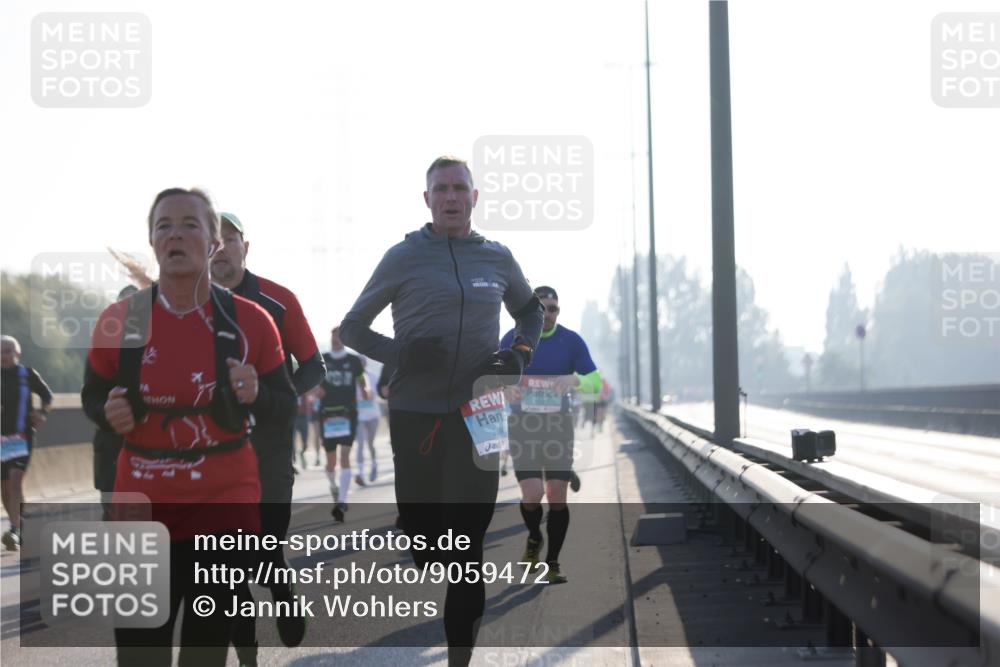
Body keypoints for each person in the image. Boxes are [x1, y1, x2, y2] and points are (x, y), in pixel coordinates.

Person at [340, 155, 543, 667]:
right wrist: (402, 353)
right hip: (416, 412)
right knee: (426, 542)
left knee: (465, 553)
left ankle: (459, 659)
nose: (451, 197)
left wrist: (519, 353)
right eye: (441, 189)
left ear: (475, 198)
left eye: (460, 188)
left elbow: (530, 310)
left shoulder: (497, 257)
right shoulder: (402, 258)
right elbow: (354, 328)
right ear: (426, 199)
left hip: (483, 412)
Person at [81, 187, 296, 666]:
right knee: (139, 655)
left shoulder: (252, 322)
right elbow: (93, 394)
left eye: (189, 224)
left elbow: (286, 406)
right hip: (140, 503)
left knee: (203, 654)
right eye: (164, 226)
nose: (175, 234)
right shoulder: (121, 321)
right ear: (152, 241)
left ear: (214, 241)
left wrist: (257, 393)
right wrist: (106, 411)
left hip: (220, 505)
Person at [210, 211, 325, 657]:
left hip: (270, 450)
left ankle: (282, 595)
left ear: (246, 246)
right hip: (213, 453)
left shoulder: (277, 300)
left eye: (229, 239)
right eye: (212, 242)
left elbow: (315, 364)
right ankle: (248, 657)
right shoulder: (186, 307)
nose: (220, 249)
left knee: (264, 548)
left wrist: (279, 398)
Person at [501, 286, 602, 585]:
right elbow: (493, 373)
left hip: (558, 426)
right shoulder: (512, 339)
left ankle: (553, 563)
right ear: (532, 310)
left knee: (557, 495)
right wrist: (507, 386)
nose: (547, 314)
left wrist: (575, 379)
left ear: (559, 310)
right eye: (541, 308)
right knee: (533, 494)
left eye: (553, 308)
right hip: (522, 425)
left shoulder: (570, 341)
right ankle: (534, 537)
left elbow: (596, 382)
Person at [90, 286, 140, 517]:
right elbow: (90, 395)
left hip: (152, 454)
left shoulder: (164, 341)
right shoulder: (103, 345)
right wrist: (106, 412)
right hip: (111, 447)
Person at [1, 335, 53, 550]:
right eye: (0, 351)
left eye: (8, 350)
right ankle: (19, 526)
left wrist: (41, 412)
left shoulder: (27, 374)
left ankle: (14, 530)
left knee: (15, 480)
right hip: (1, 438)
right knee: (4, 487)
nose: (3, 355)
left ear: (18, 353)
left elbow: (47, 396)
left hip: (22, 437)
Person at [317, 326, 370, 522]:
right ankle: (334, 486)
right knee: (331, 461)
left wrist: (365, 391)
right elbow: (314, 383)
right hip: (327, 415)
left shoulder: (353, 361)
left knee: (345, 455)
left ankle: (341, 501)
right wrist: (315, 391)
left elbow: (361, 381)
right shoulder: (323, 359)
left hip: (348, 413)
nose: (335, 339)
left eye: (339, 336)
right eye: (333, 336)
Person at [353, 358, 381, 486]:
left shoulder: (373, 376)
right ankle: (360, 473)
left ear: (366, 364)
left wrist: (367, 392)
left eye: (362, 363)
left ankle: (374, 464)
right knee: (360, 444)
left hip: (373, 415)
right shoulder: (353, 378)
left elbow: (375, 393)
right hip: (359, 416)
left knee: (370, 443)